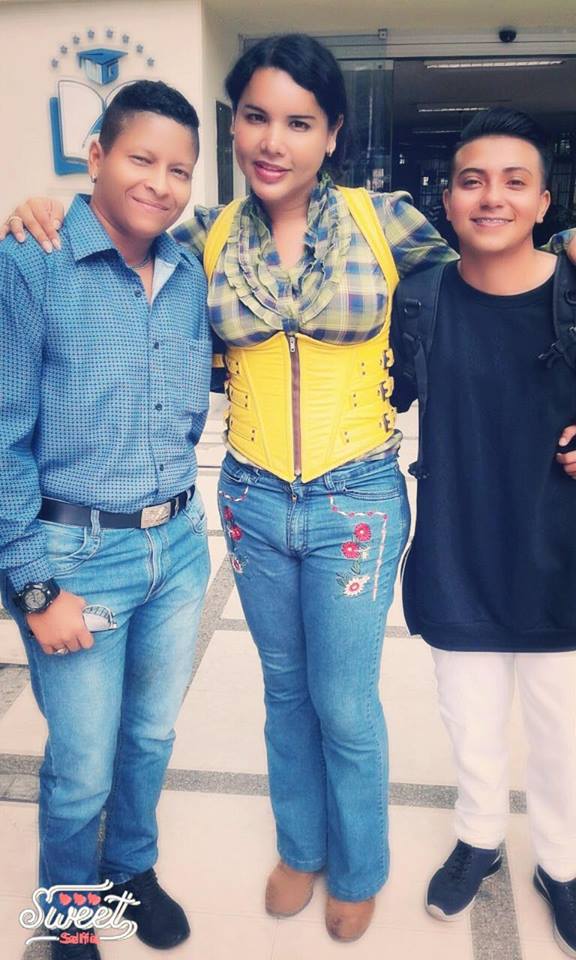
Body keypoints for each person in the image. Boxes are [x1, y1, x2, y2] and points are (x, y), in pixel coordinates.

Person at [5, 36, 576, 944]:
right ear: (235, 129)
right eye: (257, 118)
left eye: (300, 122)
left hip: (358, 499)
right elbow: (114, 231)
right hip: (252, 499)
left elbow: (498, 269)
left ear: (332, 134)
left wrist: (568, 250)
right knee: (281, 693)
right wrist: (43, 207)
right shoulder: (204, 235)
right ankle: (299, 848)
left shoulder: (386, 222)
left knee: (344, 703)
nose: (276, 141)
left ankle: (358, 865)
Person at [0, 81, 211, 960]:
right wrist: (33, 586)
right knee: (81, 766)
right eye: (141, 159)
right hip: (74, 556)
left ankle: (130, 869)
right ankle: (70, 916)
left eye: (180, 170)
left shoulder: (190, 271)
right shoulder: (32, 261)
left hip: (179, 548)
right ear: (95, 154)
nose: (161, 184)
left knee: (151, 737)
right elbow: (3, 435)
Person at [393, 108, 576, 958]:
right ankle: (480, 838)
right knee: (468, 721)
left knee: (560, 731)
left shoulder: (573, 289)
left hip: (560, 556)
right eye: (472, 181)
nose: (491, 197)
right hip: (458, 547)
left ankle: (562, 865)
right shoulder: (420, 296)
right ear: (447, 198)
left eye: (513, 182)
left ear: (544, 202)